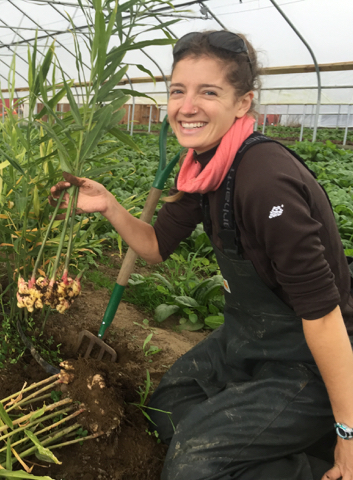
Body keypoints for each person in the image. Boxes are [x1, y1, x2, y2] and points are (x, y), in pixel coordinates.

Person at [50, 31, 353, 480]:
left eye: (208, 92)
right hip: (249, 339)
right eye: (178, 90)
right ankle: (271, 440)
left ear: (243, 103)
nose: (186, 106)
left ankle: (319, 460)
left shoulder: (264, 182)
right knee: (168, 411)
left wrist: (348, 435)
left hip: (307, 360)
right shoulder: (207, 167)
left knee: (194, 465)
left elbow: (325, 320)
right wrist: (110, 205)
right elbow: (154, 247)